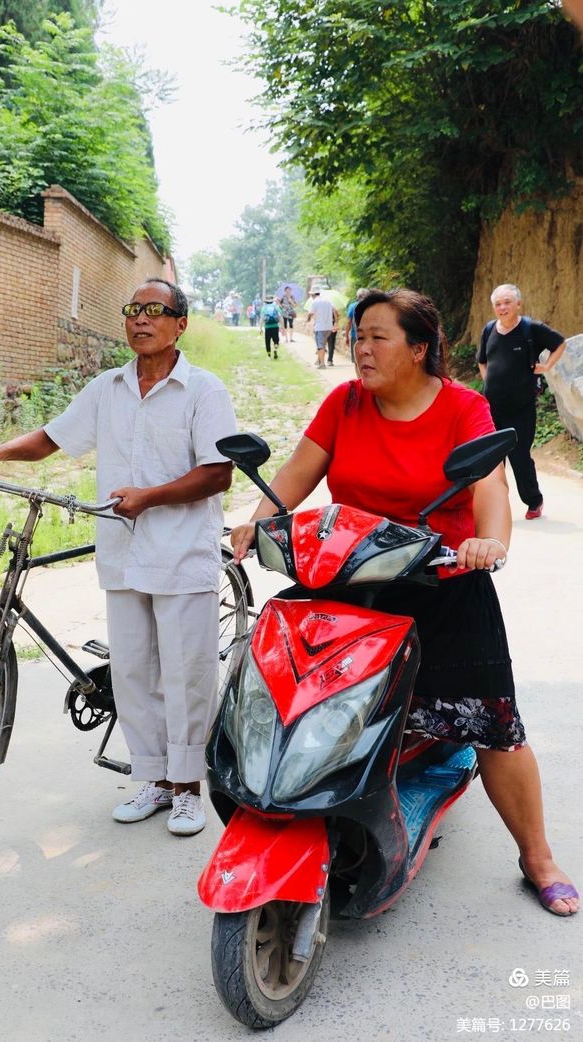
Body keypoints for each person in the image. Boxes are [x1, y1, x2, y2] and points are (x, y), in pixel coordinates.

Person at [231, 288, 578, 917]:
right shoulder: (344, 402)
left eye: (377, 337)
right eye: (357, 335)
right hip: (349, 581)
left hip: (441, 583)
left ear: (419, 350)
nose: (360, 347)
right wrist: (259, 521)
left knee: (493, 726)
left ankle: (537, 857)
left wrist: (489, 540)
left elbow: (488, 484)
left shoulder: (462, 409)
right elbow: (293, 476)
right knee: (306, 701)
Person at [0, 278, 237, 838]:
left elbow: (218, 472)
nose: (141, 320)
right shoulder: (107, 388)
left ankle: (188, 790)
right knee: (134, 671)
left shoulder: (204, 391)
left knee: (187, 674)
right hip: (123, 551)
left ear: (180, 324)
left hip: (182, 554)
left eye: (155, 311)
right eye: (133, 310)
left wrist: (149, 496)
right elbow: (52, 437)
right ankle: (152, 780)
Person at [477, 283, 566, 520]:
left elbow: (560, 343)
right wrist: (489, 381)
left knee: (520, 456)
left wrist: (546, 366)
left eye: (507, 302)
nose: (502, 307)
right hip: (492, 407)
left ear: (518, 303)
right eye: (498, 304)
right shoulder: (488, 330)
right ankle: (495, 505)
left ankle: (534, 501)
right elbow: (482, 360)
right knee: (493, 458)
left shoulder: (531, 328)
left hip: (522, 407)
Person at [306, 289, 334, 368]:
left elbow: (310, 313)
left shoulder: (314, 302)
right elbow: (334, 311)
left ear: (313, 295)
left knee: (320, 346)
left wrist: (308, 319)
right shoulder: (328, 301)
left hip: (320, 327)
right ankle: (319, 360)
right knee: (323, 344)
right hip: (328, 327)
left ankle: (322, 364)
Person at [344, 287, 367, 362]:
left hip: (356, 336)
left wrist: (347, 336)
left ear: (358, 296)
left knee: (356, 360)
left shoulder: (352, 306)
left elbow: (348, 322)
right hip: (368, 336)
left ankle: (358, 373)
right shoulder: (370, 306)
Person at [260, 295, 282, 359]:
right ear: (272, 301)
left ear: (266, 301)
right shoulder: (276, 307)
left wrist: (260, 328)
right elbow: (280, 317)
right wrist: (282, 327)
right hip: (275, 326)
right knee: (276, 340)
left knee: (267, 341)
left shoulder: (264, 308)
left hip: (267, 327)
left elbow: (262, 319)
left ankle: (269, 355)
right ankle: (275, 349)